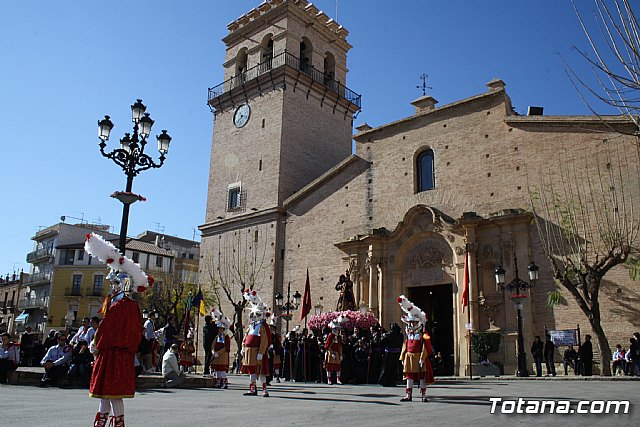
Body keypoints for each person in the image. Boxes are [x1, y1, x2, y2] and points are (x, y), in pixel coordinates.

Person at [84, 233, 146, 427]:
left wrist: (95, 345)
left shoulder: (120, 306)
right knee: (107, 392)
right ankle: (104, 421)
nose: (112, 288)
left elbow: (106, 329)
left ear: (122, 285)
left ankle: (111, 422)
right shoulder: (129, 306)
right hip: (120, 353)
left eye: (114, 284)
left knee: (112, 391)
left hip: (113, 353)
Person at [397, 295, 434, 403]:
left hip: (419, 357)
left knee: (422, 377)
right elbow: (405, 345)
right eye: (410, 322)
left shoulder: (423, 334)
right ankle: (408, 395)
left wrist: (422, 358)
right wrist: (403, 356)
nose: (412, 324)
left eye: (413, 322)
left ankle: (424, 395)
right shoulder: (409, 335)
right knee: (409, 376)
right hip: (409, 357)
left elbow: (425, 346)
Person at [241, 289, 272, 397]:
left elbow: (264, 340)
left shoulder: (262, 327)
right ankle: (252, 388)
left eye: (257, 315)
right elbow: (245, 338)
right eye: (253, 315)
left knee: (262, 371)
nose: (255, 317)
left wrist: (261, 352)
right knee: (251, 371)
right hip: (249, 352)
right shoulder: (250, 327)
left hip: (258, 352)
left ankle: (264, 389)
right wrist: (243, 348)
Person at [210, 310, 232, 389]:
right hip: (216, 356)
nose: (220, 330)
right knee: (217, 370)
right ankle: (218, 382)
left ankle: (225, 382)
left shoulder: (226, 338)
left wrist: (219, 353)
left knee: (222, 370)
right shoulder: (217, 337)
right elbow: (213, 345)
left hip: (223, 356)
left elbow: (226, 348)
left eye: (222, 329)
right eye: (219, 329)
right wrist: (213, 352)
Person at [324, 316, 346, 385]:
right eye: (337, 329)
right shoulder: (330, 335)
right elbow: (327, 345)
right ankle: (329, 379)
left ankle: (338, 379)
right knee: (329, 366)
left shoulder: (339, 337)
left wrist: (341, 354)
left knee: (338, 367)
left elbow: (340, 346)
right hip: (330, 352)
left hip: (337, 353)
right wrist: (331, 353)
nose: (338, 330)